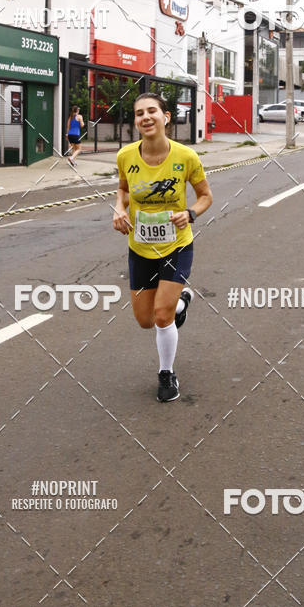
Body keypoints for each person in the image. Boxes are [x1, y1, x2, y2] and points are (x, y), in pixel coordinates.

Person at [113, 93, 213, 402]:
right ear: (136, 121)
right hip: (141, 246)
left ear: (165, 117)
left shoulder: (186, 157)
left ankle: (166, 374)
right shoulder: (126, 156)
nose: (146, 117)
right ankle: (181, 302)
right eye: (139, 113)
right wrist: (118, 209)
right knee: (144, 320)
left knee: (160, 316)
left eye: (152, 111)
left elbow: (205, 196)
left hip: (176, 246)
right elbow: (123, 190)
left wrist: (191, 213)